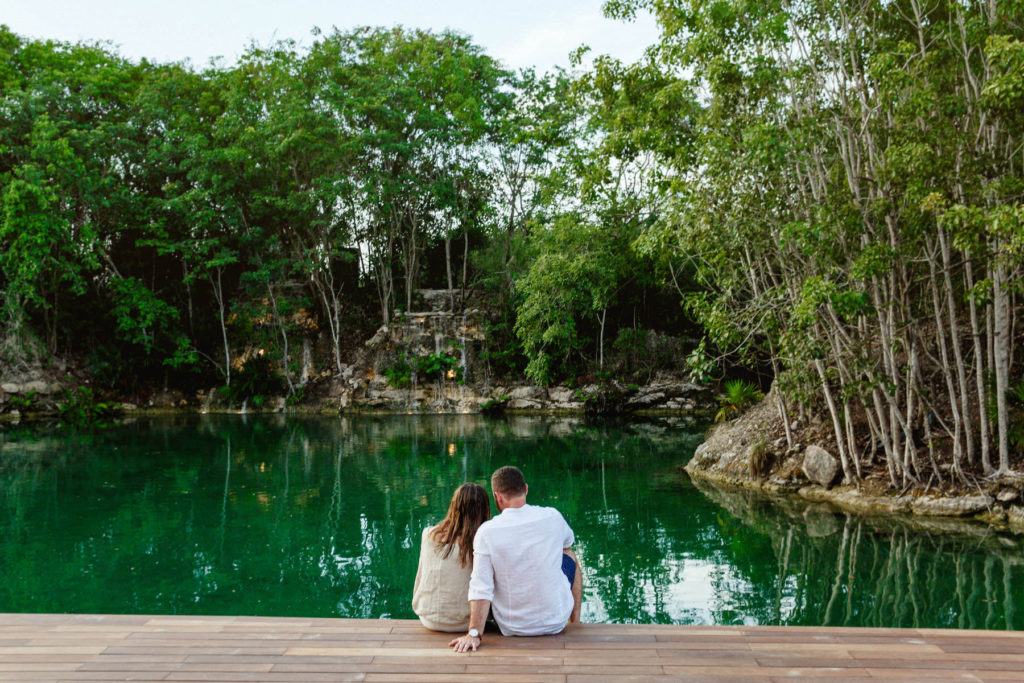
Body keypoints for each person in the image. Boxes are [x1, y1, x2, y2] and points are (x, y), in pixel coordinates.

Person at [450, 465, 582, 652]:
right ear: (526, 489)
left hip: (512, 627)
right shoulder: (553, 516)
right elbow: (568, 542)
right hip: (556, 622)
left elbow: (481, 587)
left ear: (497, 497)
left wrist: (474, 633)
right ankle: (575, 620)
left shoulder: (487, 532)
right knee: (569, 554)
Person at [412, 482, 491, 632]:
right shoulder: (482, 543)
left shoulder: (428, 534)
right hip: (465, 623)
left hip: (428, 618)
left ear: (453, 506)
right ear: (483, 510)